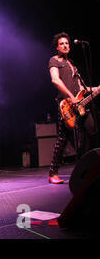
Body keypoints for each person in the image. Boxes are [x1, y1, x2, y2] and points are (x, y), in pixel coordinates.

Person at [48, 32, 98, 184]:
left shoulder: (72, 65)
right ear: (57, 47)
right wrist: (71, 97)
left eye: (67, 43)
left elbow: (82, 87)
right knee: (63, 138)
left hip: (80, 105)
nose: (65, 45)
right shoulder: (54, 60)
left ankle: (90, 168)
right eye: (62, 43)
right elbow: (55, 80)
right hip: (67, 105)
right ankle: (53, 173)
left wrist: (95, 89)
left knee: (92, 132)